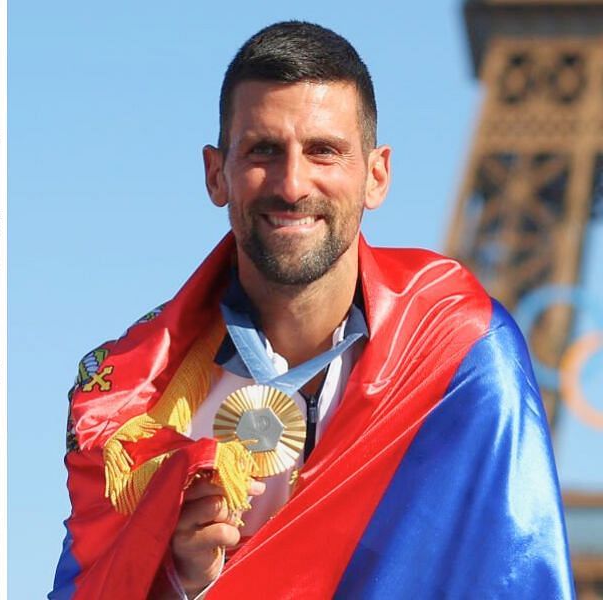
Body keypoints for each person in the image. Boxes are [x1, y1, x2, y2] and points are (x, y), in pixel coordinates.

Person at [51, 21, 573, 599]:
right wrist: (177, 583)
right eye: (263, 151)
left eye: (323, 151)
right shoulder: (131, 391)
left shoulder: (465, 352)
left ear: (377, 176)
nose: (293, 184)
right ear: (214, 174)